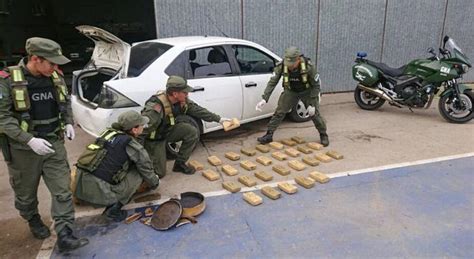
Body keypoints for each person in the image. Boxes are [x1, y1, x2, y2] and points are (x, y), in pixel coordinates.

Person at [0, 37, 88, 252]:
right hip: (23, 150)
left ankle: (65, 232)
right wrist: (28, 139)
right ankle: (33, 219)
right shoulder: (8, 80)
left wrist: (68, 122)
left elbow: (63, 102)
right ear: (35, 59)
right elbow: (2, 117)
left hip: (53, 143)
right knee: (26, 194)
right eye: (51, 63)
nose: (56, 68)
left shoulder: (54, 76)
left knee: (62, 191)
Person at [74, 110, 160, 222]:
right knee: (138, 172)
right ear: (134, 129)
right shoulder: (130, 143)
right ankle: (113, 210)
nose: (143, 127)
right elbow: (146, 168)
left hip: (80, 184)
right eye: (142, 125)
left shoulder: (109, 133)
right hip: (99, 190)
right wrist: (155, 183)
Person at [142, 75, 230, 177]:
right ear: (175, 94)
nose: (187, 94)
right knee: (159, 174)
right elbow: (140, 131)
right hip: (154, 140)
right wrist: (138, 154)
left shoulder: (182, 101)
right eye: (184, 92)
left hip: (167, 131)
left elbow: (198, 111)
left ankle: (179, 164)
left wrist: (219, 119)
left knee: (191, 131)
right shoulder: (155, 107)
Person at [255, 46, 329, 146]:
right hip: (291, 91)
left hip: (307, 91)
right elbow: (273, 81)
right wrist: (265, 98)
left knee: (314, 114)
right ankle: (269, 135)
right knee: (279, 112)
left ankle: (323, 134)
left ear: (298, 59)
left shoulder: (309, 67)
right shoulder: (282, 65)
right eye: (288, 63)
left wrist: (312, 103)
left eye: (292, 64)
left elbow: (316, 86)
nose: (290, 66)